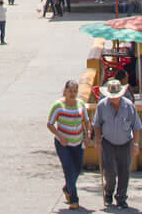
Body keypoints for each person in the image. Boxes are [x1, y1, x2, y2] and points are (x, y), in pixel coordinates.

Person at [93, 79, 142, 209]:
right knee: (109, 171)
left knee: (124, 171)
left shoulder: (129, 106)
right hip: (108, 142)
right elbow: (97, 125)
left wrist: (135, 144)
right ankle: (108, 192)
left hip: (125, 142)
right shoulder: (102, 106)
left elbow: (136, 126)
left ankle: (121, 197)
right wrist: (98, 141)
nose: (114, 99)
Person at [49, 79, 88, 210]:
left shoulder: (81, 104)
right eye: (70, 91)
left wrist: (87, 136)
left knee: (77, 169)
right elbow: (50, 124)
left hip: (77, 142)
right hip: (63, 143)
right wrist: (60, 136)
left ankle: (67, 188)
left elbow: (86, 121)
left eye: (75, 91)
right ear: (65, 91)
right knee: (68, 168)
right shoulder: (58, 106)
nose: (72, 93)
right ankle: (74, 199)